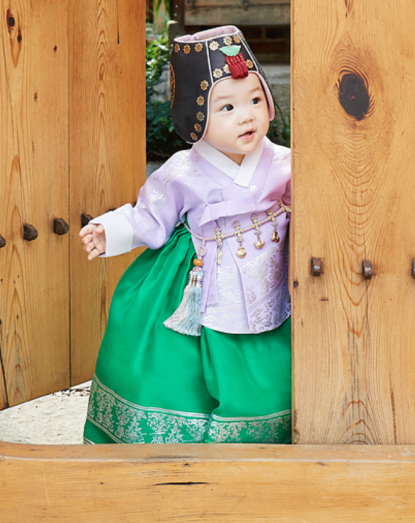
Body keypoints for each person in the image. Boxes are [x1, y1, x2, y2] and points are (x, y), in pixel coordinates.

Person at [79, 25, 292, 444]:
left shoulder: (285, 162)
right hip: (207, 277)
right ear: (195, 119)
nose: (246, 115)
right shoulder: (182, 170)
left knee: (272, 368)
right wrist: (111, 231)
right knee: (178, 367)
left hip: (272, 278)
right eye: (227, 107)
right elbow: (149, 216)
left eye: (255, 100)